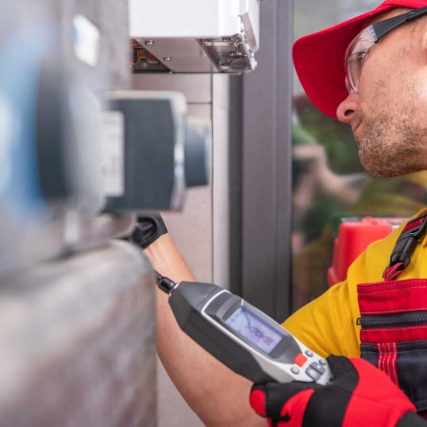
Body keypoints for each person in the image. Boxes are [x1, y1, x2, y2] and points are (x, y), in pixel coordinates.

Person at [133, 1, 427, 425]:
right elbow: (247, 400)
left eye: (356, 66)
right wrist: (143, 232)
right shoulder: (390, 268)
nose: (345, 108)